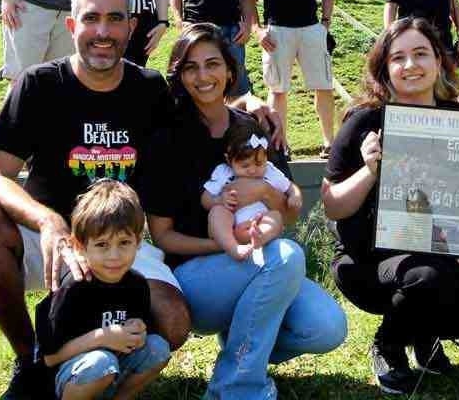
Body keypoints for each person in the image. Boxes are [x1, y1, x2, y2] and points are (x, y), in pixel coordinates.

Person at [0, 0, 190, 400]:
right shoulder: (39, 84)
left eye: (115, 19)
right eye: (91, 18)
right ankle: (31, 358)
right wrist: (48, 223)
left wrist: (244, 106)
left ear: (131, 27)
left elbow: (200, 122)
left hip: (119, 243)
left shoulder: (150, 89)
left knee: (173, 324)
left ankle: (98, 360)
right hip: (46, 243)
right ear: (72, 26)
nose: (103, 31)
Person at [322, 18, 459, 394]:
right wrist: (370, 171)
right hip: (371, 258)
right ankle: (389, 344)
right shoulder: (366, 120)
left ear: (439, 60)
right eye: (398, 57)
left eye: (421, 54)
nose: (410, 66)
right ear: (385, 68)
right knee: (428, 277)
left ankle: (426, 334)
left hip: (443, 246)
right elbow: (333, 206)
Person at [141, 23, 348, 400]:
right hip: (196, 279)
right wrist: (230, 245)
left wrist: (265, 191)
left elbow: (288, 215)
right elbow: (163, 236)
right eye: (190, 67)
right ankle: (237, 388)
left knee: (326, 328)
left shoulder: (255, 130)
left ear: (230, 71)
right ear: (179, 74)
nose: (203, 76)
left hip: (259, 265)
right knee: (287, 254)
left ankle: (240, 353)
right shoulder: (166, 139)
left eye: (213, 64)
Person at [35, 180, 172, 400]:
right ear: (80, 246)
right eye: (102, 245)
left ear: (138, 242)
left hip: (111, 370)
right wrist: (103, 337)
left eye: (124, 243)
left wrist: (138, 330)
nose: (114, 256)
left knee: (158, 347)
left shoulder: (137, 284)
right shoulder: (72, 290)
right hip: (70, 378)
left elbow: (142, 330)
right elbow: (49, 358)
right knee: (100, 362)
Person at [248, 0, 336, 152]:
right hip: (277, 31)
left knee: (324, 86)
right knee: (277, 90)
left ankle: (329, 142)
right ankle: (279, 145)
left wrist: (325, 25)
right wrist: (257, 30)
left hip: (311, 28)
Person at [203, 113, 301, 261]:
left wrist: (295, 196)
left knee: (276, 216)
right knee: (217, 213)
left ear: (266, 157)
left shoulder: (269, 170)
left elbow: (290, 186)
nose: (252, 170)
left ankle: (259, 238)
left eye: (259, 163)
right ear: (229, 160)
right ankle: (233, 248)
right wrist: (219, 201)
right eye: (245, 165)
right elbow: (205, 198)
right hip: (231, 226)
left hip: (260, 221)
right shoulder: (223, 172)